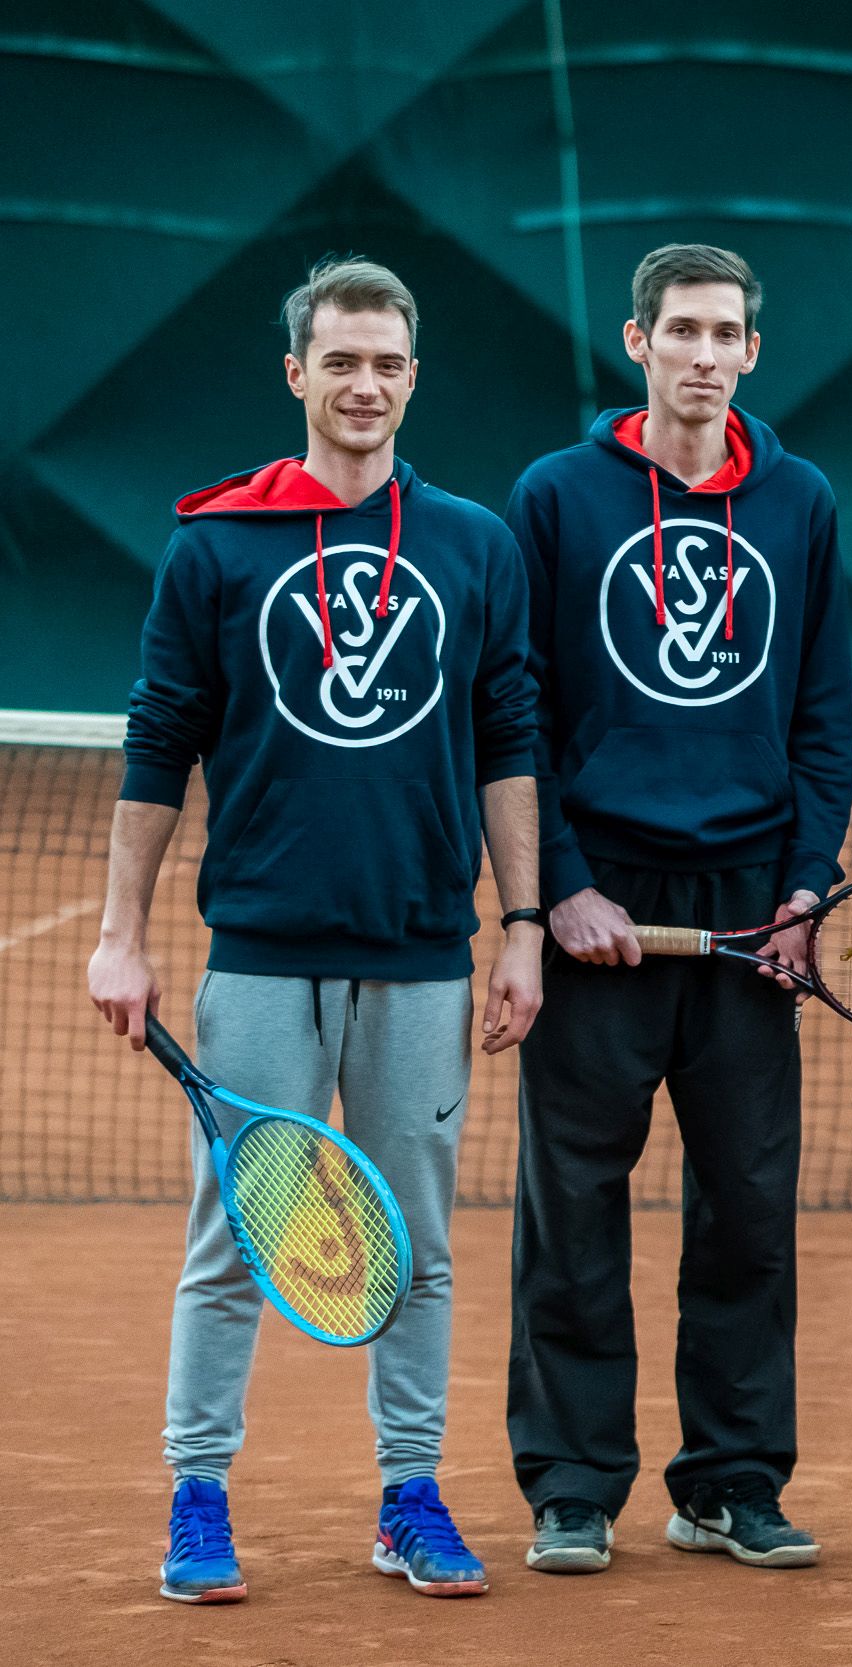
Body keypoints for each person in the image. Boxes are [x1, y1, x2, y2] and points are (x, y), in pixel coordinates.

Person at [87, 257, 542, 1603]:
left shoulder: (472, 543)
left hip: (420, 951)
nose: (364, 383)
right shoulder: (216, 545)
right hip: (262, 953)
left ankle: (411, 1492)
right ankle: (199, 1497)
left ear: (413, 374)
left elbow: (509, 735)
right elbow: (158, 740)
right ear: (297, 372)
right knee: (233, 1238)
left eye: (387, 362)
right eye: (340, 359)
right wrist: (122, 932)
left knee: (419, 1239)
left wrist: (518, 922)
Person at [502, 244, 852, 1575]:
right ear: (637, 342)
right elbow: (518, 707)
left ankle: (730, 1480)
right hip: (602, 904)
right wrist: (562, 883)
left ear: (752, 353)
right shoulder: (557, 495)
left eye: (727, 334)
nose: (704, 354)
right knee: (574, 1206)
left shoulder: (801, 500)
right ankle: (574, 1483)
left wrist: (805, 887)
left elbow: (825, 716)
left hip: (753, 914)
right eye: (682, 331)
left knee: (751, 1210)